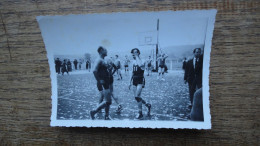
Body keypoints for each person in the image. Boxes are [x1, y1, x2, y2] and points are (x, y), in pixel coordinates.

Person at [90, 46, 112, 120]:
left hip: (106, 82)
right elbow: (94, 71)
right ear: (101, 51)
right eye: (105, 50)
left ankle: (106, 115)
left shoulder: (103, 60)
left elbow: (104, 70)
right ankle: (94, 111)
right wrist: (99, 80)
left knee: (108, 100)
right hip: (103, 83)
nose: (107, 51)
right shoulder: (98, 60)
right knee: (108, 101)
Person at [129, 48, 151, 119]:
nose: (134, 54)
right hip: (134, 80)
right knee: (136, 97)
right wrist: (129, 82)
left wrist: (137, 56)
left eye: (135, 52)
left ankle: (140, 113)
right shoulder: (133, 62)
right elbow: (132, 72)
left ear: (138, 53)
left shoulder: (142, 60)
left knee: (137, 96)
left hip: (140, 79)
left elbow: (141, 65)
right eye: (133, 53)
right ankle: (147, 105)